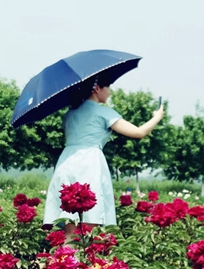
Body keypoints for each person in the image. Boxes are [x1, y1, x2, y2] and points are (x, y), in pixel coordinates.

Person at [42, 72, 164, 230]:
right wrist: (157, 117)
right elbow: (139, 132)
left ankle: (68, 254)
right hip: (89, 163)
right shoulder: (103, 112)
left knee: (69, 227)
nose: (110, 92)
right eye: (108, 88)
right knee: (90, 222)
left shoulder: (70, 114)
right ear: (97, 88)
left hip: (67, 162)